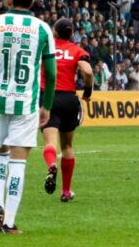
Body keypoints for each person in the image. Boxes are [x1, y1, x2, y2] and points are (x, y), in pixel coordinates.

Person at [0, 0, 57, 235]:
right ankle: (9, 221)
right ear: (31, 2)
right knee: (18, 163)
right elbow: (51, 74)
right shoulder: (42, 29)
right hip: (26, 104)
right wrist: (47, 105)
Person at [40, 18, 93, 202]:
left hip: (48, 97)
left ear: (54, 32)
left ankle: (52, 164)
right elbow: (88, 72)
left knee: (50, 142)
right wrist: (88, 91)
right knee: (68, 146)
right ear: (71, 34)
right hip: (69, 99)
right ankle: (66, 191)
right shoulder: (76, 50)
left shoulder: (45, 46)